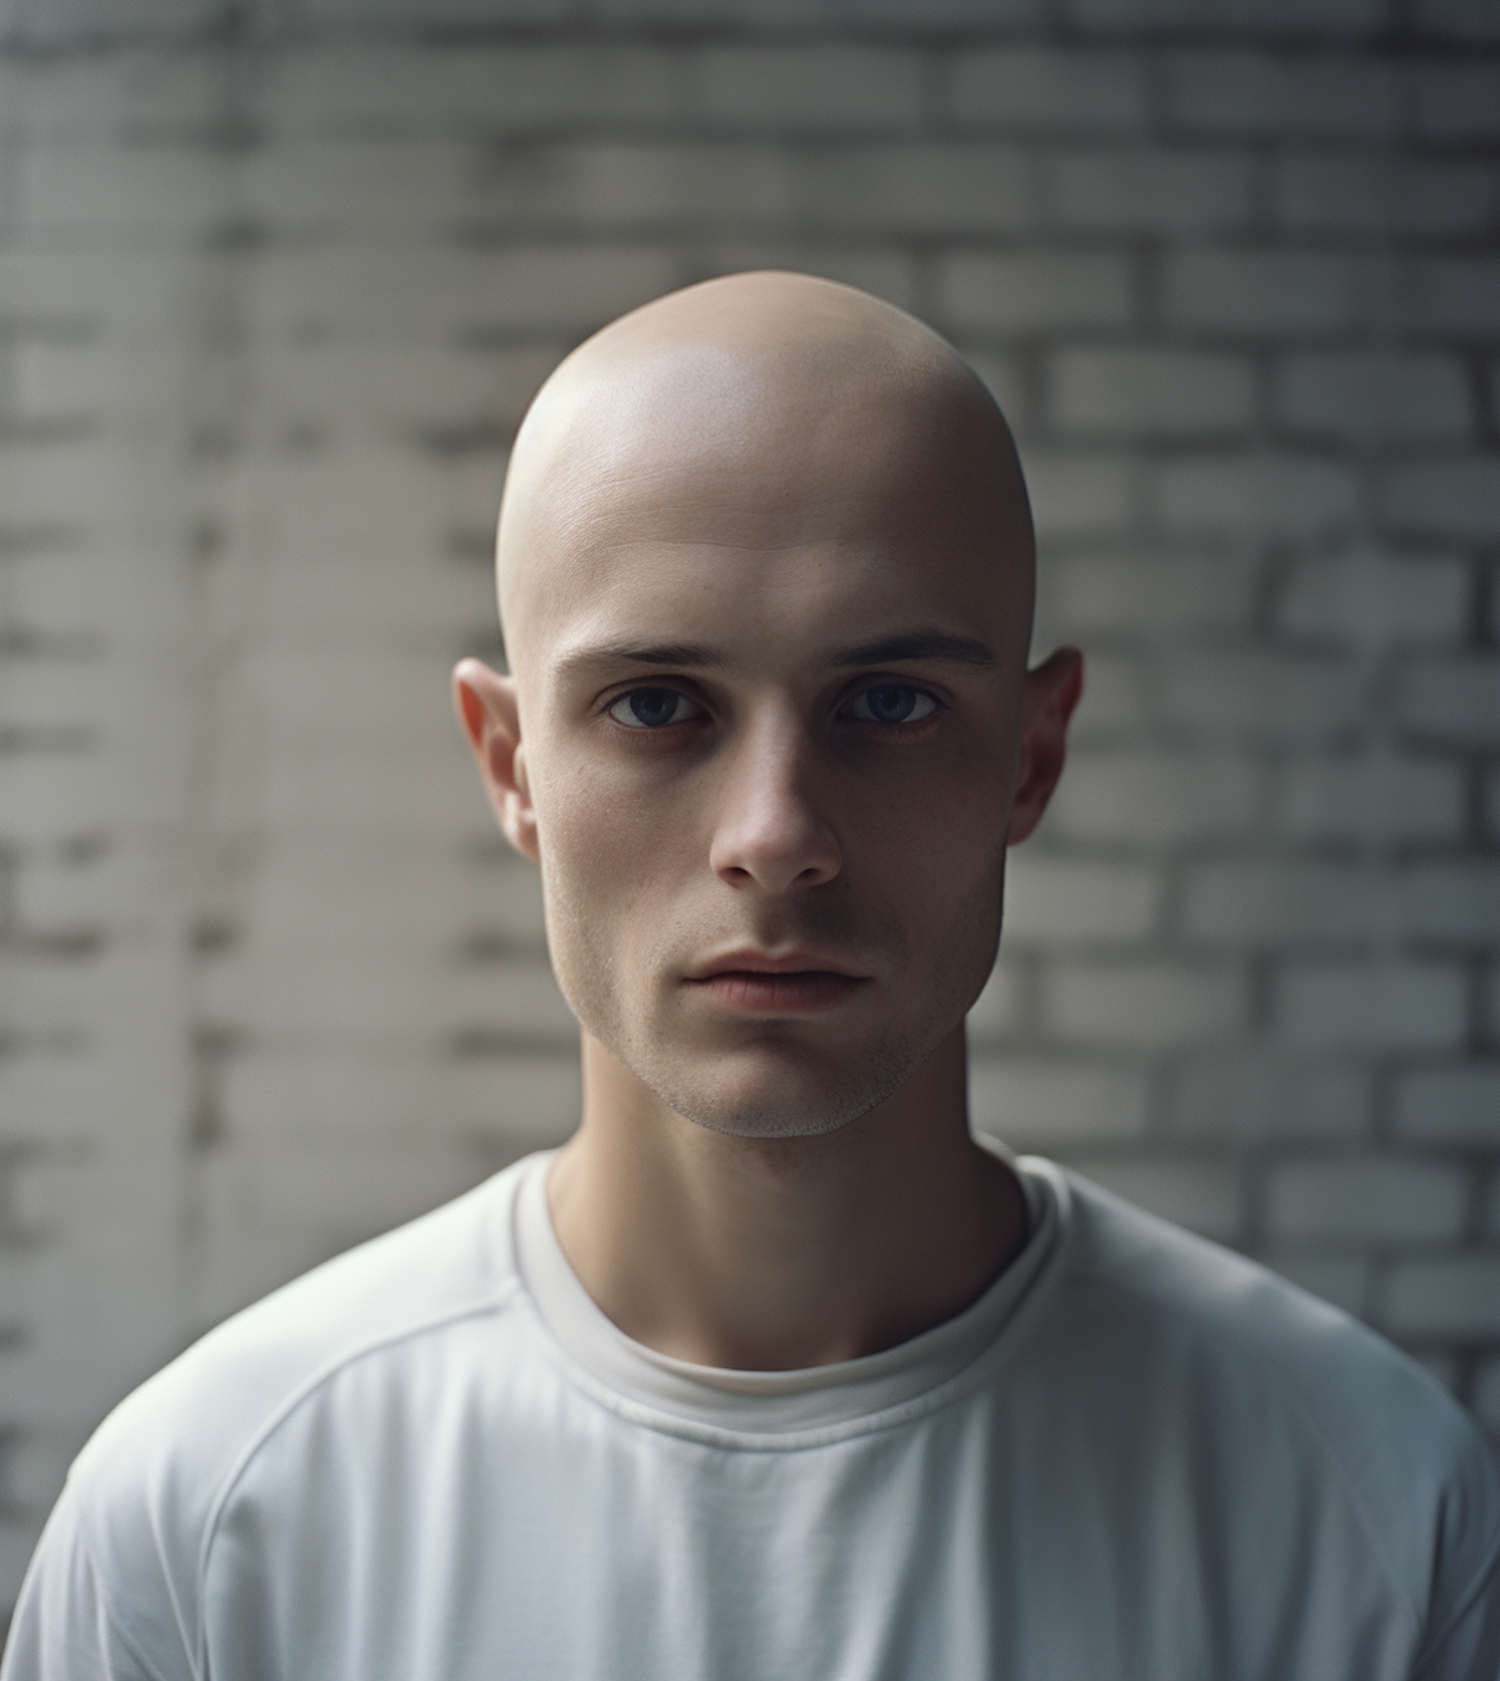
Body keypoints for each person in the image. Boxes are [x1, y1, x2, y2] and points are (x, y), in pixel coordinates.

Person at [4, 271, 1497, 1680]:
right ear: (513, 766)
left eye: (891, 701)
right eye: (658, 705)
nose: (776, 839)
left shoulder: (1374, 1515)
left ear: (1030, 756)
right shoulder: (208, 1523)